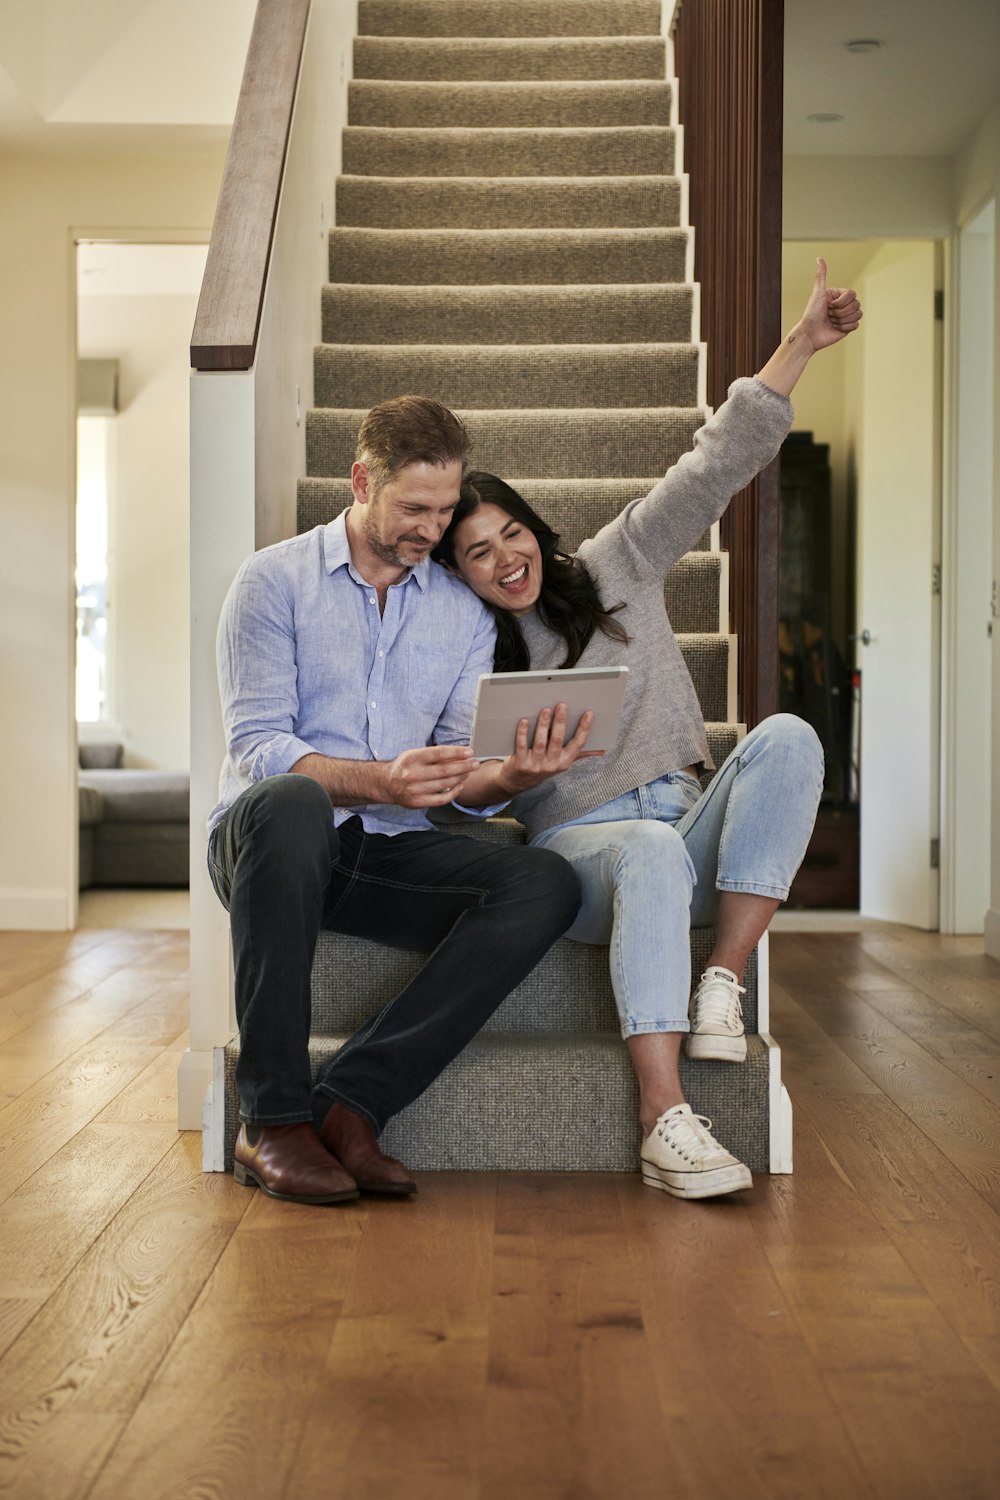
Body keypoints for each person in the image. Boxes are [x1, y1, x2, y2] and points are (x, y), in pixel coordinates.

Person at [432, 259, 863, 1201]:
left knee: (788, 733)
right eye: (475, 554)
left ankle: (721, 982)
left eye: (510, 535)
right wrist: (508, 781)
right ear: (457, 575)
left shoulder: (616, 563)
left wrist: (801, 345)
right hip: (585, 858)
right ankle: (661, 1117)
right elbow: (451, 786)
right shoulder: (466, 654)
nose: (504, 560)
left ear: (534, 531)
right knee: (649, 855)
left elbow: (716, 463)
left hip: (684, 818)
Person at [208, 395, 592, 1206]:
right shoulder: (272, 582)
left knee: (545, 881)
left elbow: (458, 771)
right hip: (270, 846)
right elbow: (259, 745)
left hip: (383, 852)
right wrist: (380, 778)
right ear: (360, 482)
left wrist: (510, 780)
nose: (432, 529)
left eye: (446, 509)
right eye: (414, 508)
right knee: (292, 801)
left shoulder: (460, 611)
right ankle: (271, 1119)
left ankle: (350, 1104)